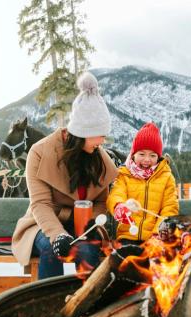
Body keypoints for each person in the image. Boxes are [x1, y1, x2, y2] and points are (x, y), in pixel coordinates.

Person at [11, 72, 118, 279]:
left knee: (87, 250)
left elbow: (102, 201)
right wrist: (58, 235)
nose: (103, 141)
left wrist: (92, 224)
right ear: (83, 132)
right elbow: (40, 204)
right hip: (44, 224)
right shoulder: (40, 153)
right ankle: (50, 305)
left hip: (83, 226)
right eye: (100, 134)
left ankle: (88, 304)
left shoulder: (98, 158)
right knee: (53, 249)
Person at [107, 122, 178, 243]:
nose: (147, 159)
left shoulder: (166, 177)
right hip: (127, 235)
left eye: (152, 155)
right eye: (142, 154)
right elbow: (116, 194)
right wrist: (119, 206)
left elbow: (169, 208)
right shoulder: (124, 174)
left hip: (155, 237)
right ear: (133, 154)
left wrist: (158, 233)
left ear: (158, 157)